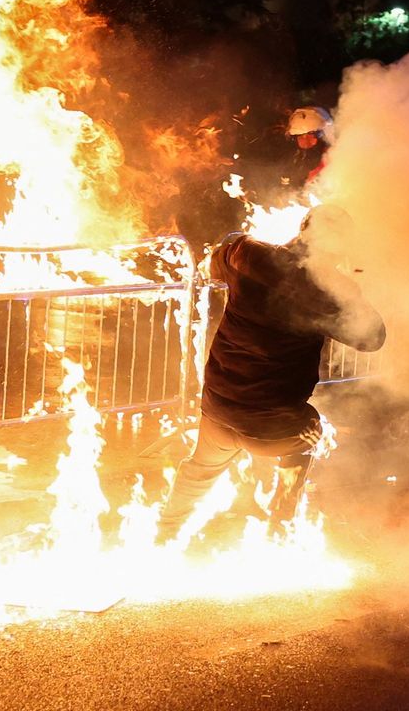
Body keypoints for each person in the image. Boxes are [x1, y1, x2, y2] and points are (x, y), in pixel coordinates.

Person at [157, 205, 386, 544]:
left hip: (221, 405)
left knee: (200, 471)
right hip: (274, 428)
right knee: (309, 430)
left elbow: (214, 262)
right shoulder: (330, 292)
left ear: (303, 227)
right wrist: (353, 290)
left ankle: (164, 534)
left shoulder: (250, 254)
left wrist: (233, 242)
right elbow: (373, 338)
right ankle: (279, 528)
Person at [287, 106, 335, 187]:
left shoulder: (332, 159)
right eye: (300, 136)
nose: (305, 140)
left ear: (320, 136)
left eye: (310, 135)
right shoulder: (295, 157)